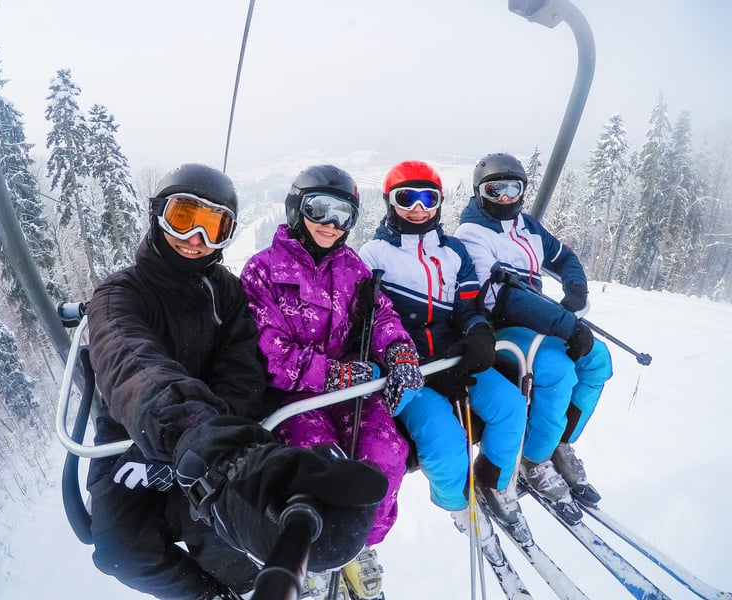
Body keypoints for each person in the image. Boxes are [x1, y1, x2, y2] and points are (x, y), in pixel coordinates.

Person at [86, 163, 389, 600]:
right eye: (185, 219)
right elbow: (133, 366)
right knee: (119, 550)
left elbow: (243, 372)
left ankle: (252, 587)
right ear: (158, 215)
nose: (196, 239)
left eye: (214, 227)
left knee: (218, 523)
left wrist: (201, 443)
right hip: (134, 435)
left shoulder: (224, 291)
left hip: (212, 435)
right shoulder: (120, 296)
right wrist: (181, 437)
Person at [240, 164, 424, 600]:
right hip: (294, 397)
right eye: (319, 210)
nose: (330, 224)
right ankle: (317, 555)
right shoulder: (263, 271)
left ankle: (357, 543)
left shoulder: (352, 266)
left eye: (343, 215)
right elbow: (266, 349)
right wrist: (331, 372)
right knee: (318, 465)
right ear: (295, 209)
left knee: (387, 452)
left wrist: (398, 352)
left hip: (348, 390)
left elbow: (379, 315)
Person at [358, 160, 530, 547]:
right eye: (407, 198)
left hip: (452, 359)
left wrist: (478, 335)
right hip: (405, 369)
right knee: (445, 439)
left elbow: (468, 306)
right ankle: (458, 504)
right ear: (390, 202)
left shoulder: (453, 252)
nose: (418, 208)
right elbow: (369, 325)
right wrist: (408, 363)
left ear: (438, 202)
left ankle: (494, 482)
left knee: (509, 406)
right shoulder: (374, 256)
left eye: (428, 198)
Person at [454, 152, 614, 524]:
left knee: (598, 360)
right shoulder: (472, 234)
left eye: (514, 188)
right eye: (495, 189)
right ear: (480, 193)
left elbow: (564, 256)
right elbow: (500, 297)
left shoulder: (528, 226)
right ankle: (534, 459)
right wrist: (565, 324)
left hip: (542, 322)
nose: (506, 197)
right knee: (558, 370)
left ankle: (557, 443)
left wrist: (575, 287)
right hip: (502, 327)